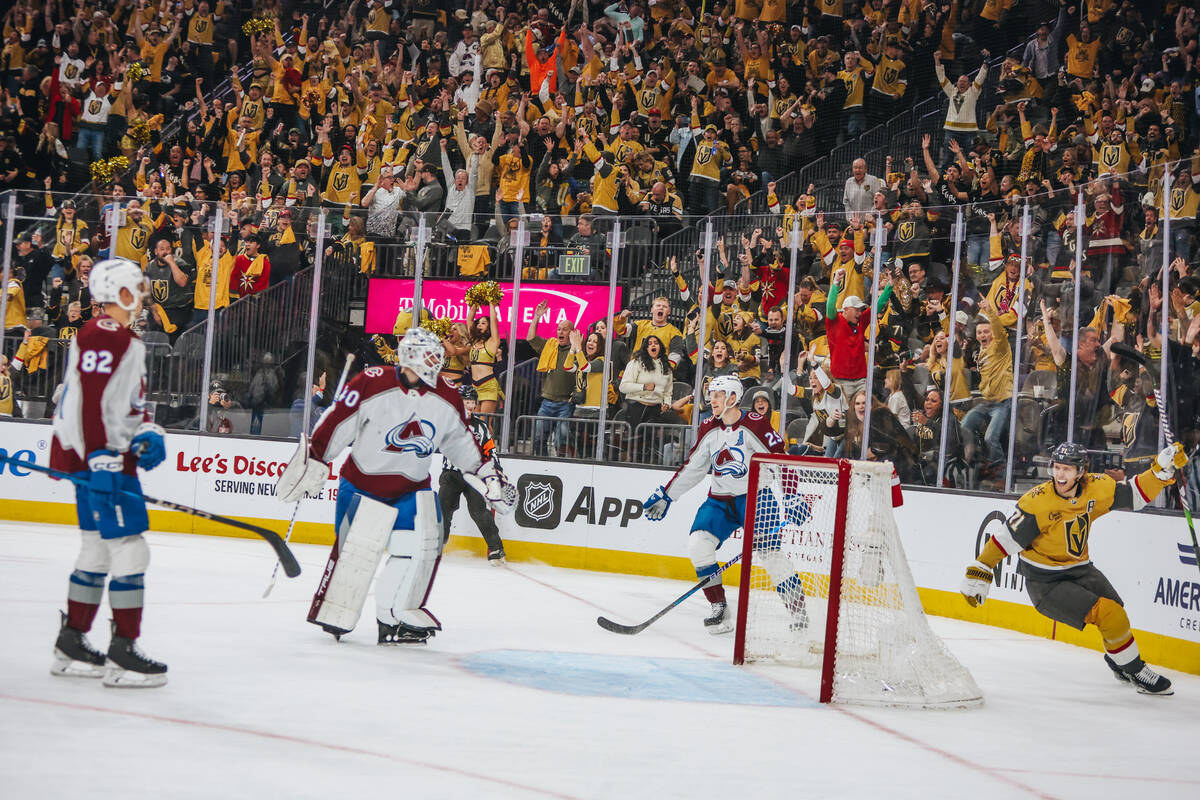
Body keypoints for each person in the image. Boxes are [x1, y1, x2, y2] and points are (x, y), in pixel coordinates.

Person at [276, 328, 515, 645]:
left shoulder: (446, 395)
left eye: (435, 358)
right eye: (426, 356)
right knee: (356, 554)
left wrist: (488, 475)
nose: (432, 363)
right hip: (362, 484)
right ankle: (336, 609)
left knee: (418, 548)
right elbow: (338, 421)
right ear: (408, 356)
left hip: (411, 490)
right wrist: (317, 457)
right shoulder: (371, 382)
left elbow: (461, 443)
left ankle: (395, 615)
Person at [961, 441, 1187, 695]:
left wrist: (1160, 472)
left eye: (1067, 469)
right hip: (1046, 583)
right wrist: (981, 568)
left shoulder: (1096, 488)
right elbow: (1005, 540)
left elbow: (1134, 494)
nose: (1060, 474)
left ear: (1081, 472)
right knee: (1110, 614)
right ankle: (1136, 671)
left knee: (1116, 611)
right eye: (1057, 467)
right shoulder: (1038, 503)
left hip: (1080, 570)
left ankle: (1118, 662)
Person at [48, 258, 169, 687]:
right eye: (136, 285)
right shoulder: (106, 333)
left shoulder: (115, 337)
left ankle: (71, 641)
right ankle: (123, 653)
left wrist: (148, 431)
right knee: (131, 549)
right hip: (104, 461)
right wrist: (103, 459)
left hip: (102, 456)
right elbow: (93, 402)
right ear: (120, 292)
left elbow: (117, 405)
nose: (141, 292)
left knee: (97, 549)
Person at [641, 376, 806, 635]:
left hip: (757, 498)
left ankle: (798, 611)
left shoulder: (756, 425)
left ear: (732, 398)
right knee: (698, 545)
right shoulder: (709, 427)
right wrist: (667, 495)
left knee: (770, 554)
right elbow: (693, 467)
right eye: (711, 394)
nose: (712, 399)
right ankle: (720, 610)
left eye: (718, 395)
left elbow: (780, 460)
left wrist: (792, 495)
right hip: (719, 501)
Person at [438, 385, 506, 563]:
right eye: (465, 402)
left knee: (479, 512)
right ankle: (437, 546)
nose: (469, 405)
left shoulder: (481, 426)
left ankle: (496, 549)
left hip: (474, 477)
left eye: (472, 402)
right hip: (451, 475)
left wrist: (497, 468)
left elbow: (490, 450)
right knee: (443, 511)